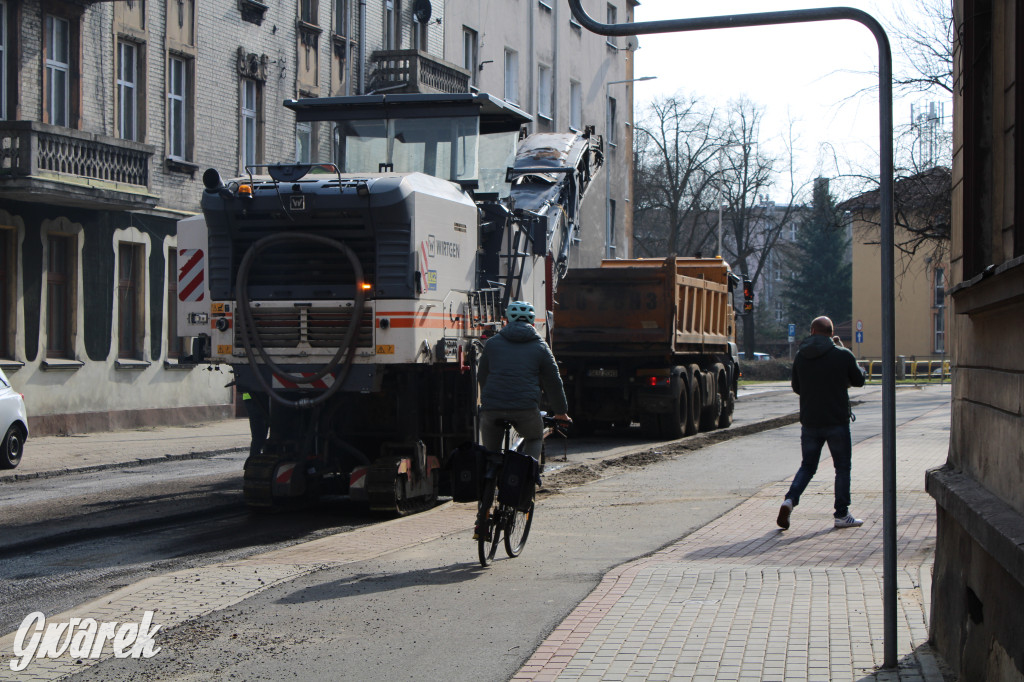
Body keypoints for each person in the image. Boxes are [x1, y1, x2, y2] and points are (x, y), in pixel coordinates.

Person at [777, 315, 867, 530]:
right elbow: (859, 380)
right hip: (836, 421)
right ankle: (842, 515)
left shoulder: (800, 355)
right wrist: (843, 350)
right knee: (842, 468)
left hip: (810, 422)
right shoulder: (842, 355)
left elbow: (796, 387)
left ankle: (789, 500)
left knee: (807, 466)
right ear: (831, 333)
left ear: (812, 332)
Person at [477, 300, 571, 462]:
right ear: (533, 323)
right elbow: (553, 382)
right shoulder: (541, 346)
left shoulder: (491, 344)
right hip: (525, 408)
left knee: (490, 453)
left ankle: (489, 479)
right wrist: (561, 412)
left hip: (493, 408)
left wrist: (489, 399)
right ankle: (527, 473)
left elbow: (482, 375)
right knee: (534, 437)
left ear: (506, 321)